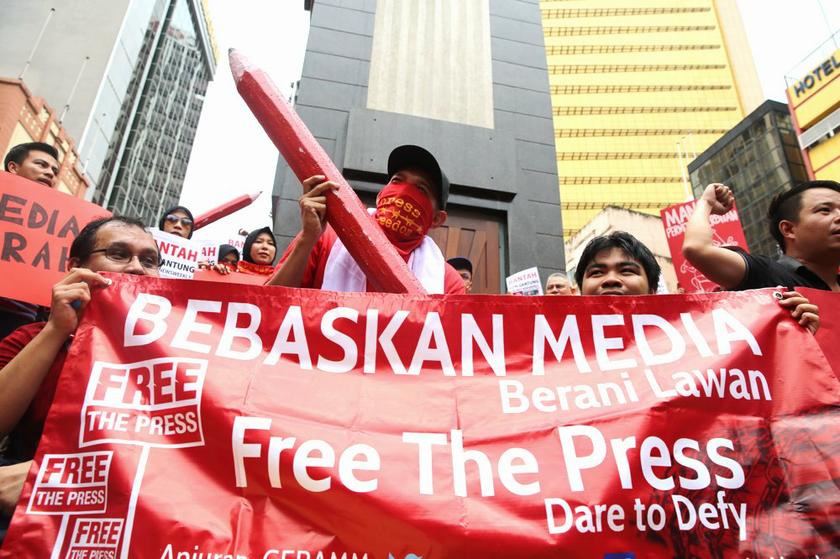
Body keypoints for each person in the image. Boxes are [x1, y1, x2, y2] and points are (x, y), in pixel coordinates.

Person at [0, 216, 160, 538]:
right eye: (118, 255)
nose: (136, 269)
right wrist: (56, 331)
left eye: (149, 260)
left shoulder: (175, 356)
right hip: (31, 520)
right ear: (76, 266)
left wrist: (54, 470)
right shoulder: (30, 339)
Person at [267, 145, 466, 295]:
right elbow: (267, 305)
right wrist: (307, 239)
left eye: (420, 189)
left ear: (437, 219)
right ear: (382, 193)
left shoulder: (447, 282)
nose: (403, 191)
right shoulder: (327, 237)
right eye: (397, 180)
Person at [683, 181, 840, 292]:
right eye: (825, 210)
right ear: (788, 229)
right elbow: (697, 248)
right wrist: (706, 203)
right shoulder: (765, 275)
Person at [0, 143, 62, 340]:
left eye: (54, 170)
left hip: (21, 324)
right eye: (41, 165)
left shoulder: (59, 223)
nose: (50, 173)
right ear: (13, 167)